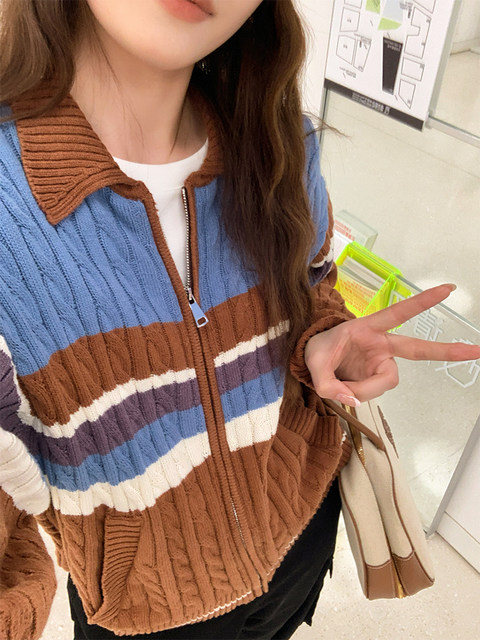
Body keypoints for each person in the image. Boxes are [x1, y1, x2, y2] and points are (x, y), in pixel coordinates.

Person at [0, 1, 478, 639]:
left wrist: (320, 334)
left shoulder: (282, 140)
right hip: (152, 610)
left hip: (299, 535)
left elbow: (312, 279)